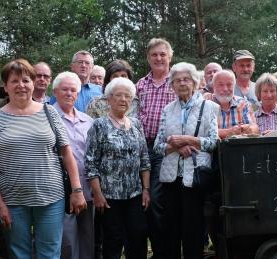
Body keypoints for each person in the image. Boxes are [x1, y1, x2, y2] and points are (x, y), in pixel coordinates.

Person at [0, 59, 87, 259]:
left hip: (51, 197)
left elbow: (66, 153)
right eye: (14, 81)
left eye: (26, 80)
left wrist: (77, 190)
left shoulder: (49, 112)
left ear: (33, 83)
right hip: (11, 199)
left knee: (49, 253)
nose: (21, 85)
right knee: (18, 254)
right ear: (5, 86)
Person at [153, 62, 219, 259]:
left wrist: (189, 140)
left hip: (195, 178)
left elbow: (214, 143)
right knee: (171, 229)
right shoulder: (167, 109)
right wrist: (176, 146)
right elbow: (157, 146)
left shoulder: (210, 108)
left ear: (195, 82)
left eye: (186, 79)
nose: (182, 83)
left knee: (193, 230)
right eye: (177, 80)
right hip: (171, 179)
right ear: (172, 85)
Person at [85, 77, 151, 259]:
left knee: (138, 235)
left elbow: (144, 158)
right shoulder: (99, 125)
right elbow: (90, 162)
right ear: (109, 99)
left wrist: (146, 189)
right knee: (113, 240)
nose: (123, 99)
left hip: (135, 194)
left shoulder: (137, 124)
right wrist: (97, 194)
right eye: (118, 95)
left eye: (128, 96)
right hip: (109, 196)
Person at [135, 38, 176, 258]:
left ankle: (164, 251)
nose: (158, 58)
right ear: (148, 58)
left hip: (168, 148)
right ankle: (156, 249)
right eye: (154, 55)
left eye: (162, 54)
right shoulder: (140, 85)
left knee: (159, 200)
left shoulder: (177, 81)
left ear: (170, 57)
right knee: (145, 201)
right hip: (142, 148)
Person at [51, 71, 96, 259]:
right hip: (60, 189)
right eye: (64, 89)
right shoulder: (47, 118)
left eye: (73, 90)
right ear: (55, 92)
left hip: (88, 188)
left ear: (78, 94)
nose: (69, 93)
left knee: (88, 238)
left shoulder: (88, 121)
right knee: (67, 241)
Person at [209, 70, 259, 138]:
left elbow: (255, 128)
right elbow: (203, 132)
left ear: (234, 86)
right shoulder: (205, 103)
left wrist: (247, 128)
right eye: (221, 85)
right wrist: (229, 132)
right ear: (213, 86)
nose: (225, 89)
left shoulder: (243, 103)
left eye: (229, 84)